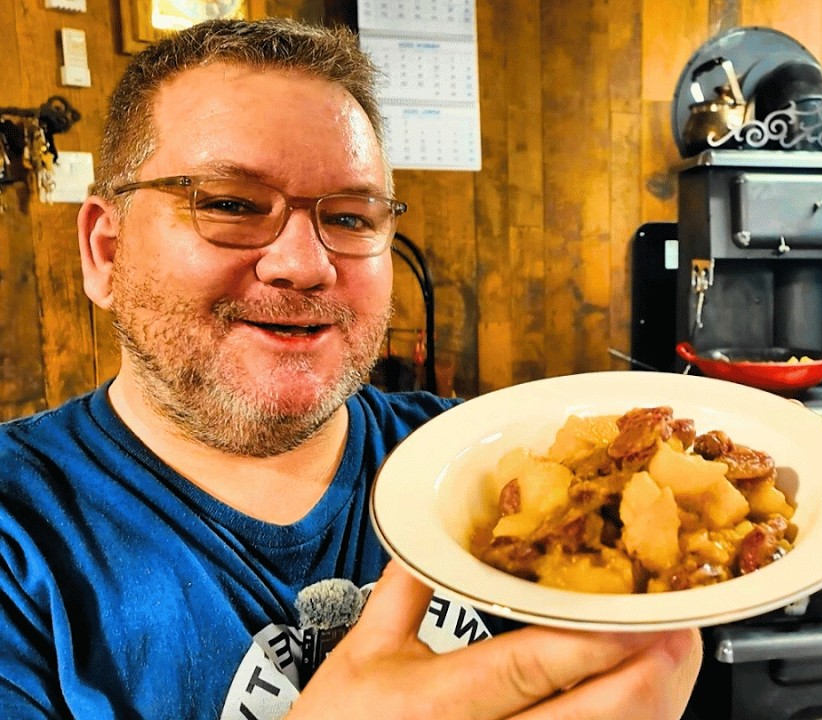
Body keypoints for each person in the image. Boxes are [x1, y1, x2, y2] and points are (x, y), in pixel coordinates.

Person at [0, 17, 700, 719]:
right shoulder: (20, 537)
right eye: (231, 205)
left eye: (352, 217)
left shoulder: (482, 470)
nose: (305, 265)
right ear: (106, 250)